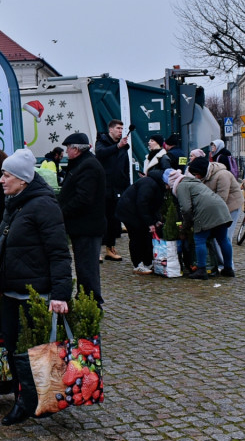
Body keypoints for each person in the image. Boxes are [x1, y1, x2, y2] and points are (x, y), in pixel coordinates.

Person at [0, 149, 72, 426]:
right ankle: (23, 398)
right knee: (13, 348)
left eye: (6, 175)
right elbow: (7, 248)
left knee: (37, 351)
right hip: (11, 291)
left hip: (35, 292)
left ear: (23, 179)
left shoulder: (44, 205)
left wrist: (61, 294)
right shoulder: (14, 202)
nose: (1, 180)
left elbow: (59, 253)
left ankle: (38, 399)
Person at [58, 132, 107, 304]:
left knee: (87, 268)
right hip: (82, 226)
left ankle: (92, 303)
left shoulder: (88, 166)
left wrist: (62, 211)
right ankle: (86, 299)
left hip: (87, 226)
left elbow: (84, 198)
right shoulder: (81, 164)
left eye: (67, 148)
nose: (65, 152)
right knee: (84, 267)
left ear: (76, 149)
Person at [176, 158, 235, 279]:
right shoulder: (197, 183)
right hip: (221, 208)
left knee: (199, 239)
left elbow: (186, 209)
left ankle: (201, 270)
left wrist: (185, 226)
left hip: (205, 212)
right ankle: (228, 268)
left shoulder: (182, 186)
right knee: (223, 239)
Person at [116, 170, 165, 275]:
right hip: (129, 212)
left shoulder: (154, 184)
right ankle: (137, 264)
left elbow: (151, 206)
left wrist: (155, 221)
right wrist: (150, 223)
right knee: (136, 237)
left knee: (145, 236)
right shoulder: (149, 185)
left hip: (135, 212)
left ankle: (147, 262)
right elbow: (142, 204)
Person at [95, 120, 130, 261]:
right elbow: (100, 154)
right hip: (103, 188)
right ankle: (97, 250)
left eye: (122, 128)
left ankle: (110, 248)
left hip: (117, 189)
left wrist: (126, 187)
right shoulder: (101, 142)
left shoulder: (123, 148)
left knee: (114, 220)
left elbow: (125, 168)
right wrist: (117, 146)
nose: (120, 131)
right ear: (110, 130)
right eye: (118, 128)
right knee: (100, 219)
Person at [198, 154, 243, 246]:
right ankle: (220, 259)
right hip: (218, 207)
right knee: (218, 236)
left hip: (231, 205)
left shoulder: (223, 175)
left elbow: (222, 197)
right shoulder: (206, 176)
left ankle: (227, 260)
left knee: (226, 235)